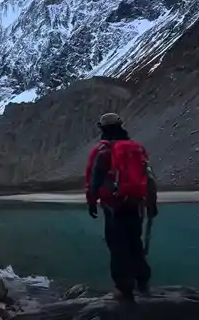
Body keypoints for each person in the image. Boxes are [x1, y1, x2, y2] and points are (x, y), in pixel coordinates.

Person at [84, 112, 158, 302]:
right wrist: (152, 204)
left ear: (102, 128)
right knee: (135, 242)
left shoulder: (102, 151)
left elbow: (95, 179)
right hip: (136, 203)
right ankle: (143, 283)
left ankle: (124, 288)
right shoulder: (137, 149)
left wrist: (92, 201)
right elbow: (149, 177)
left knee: (117, 246)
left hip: (113, 206)